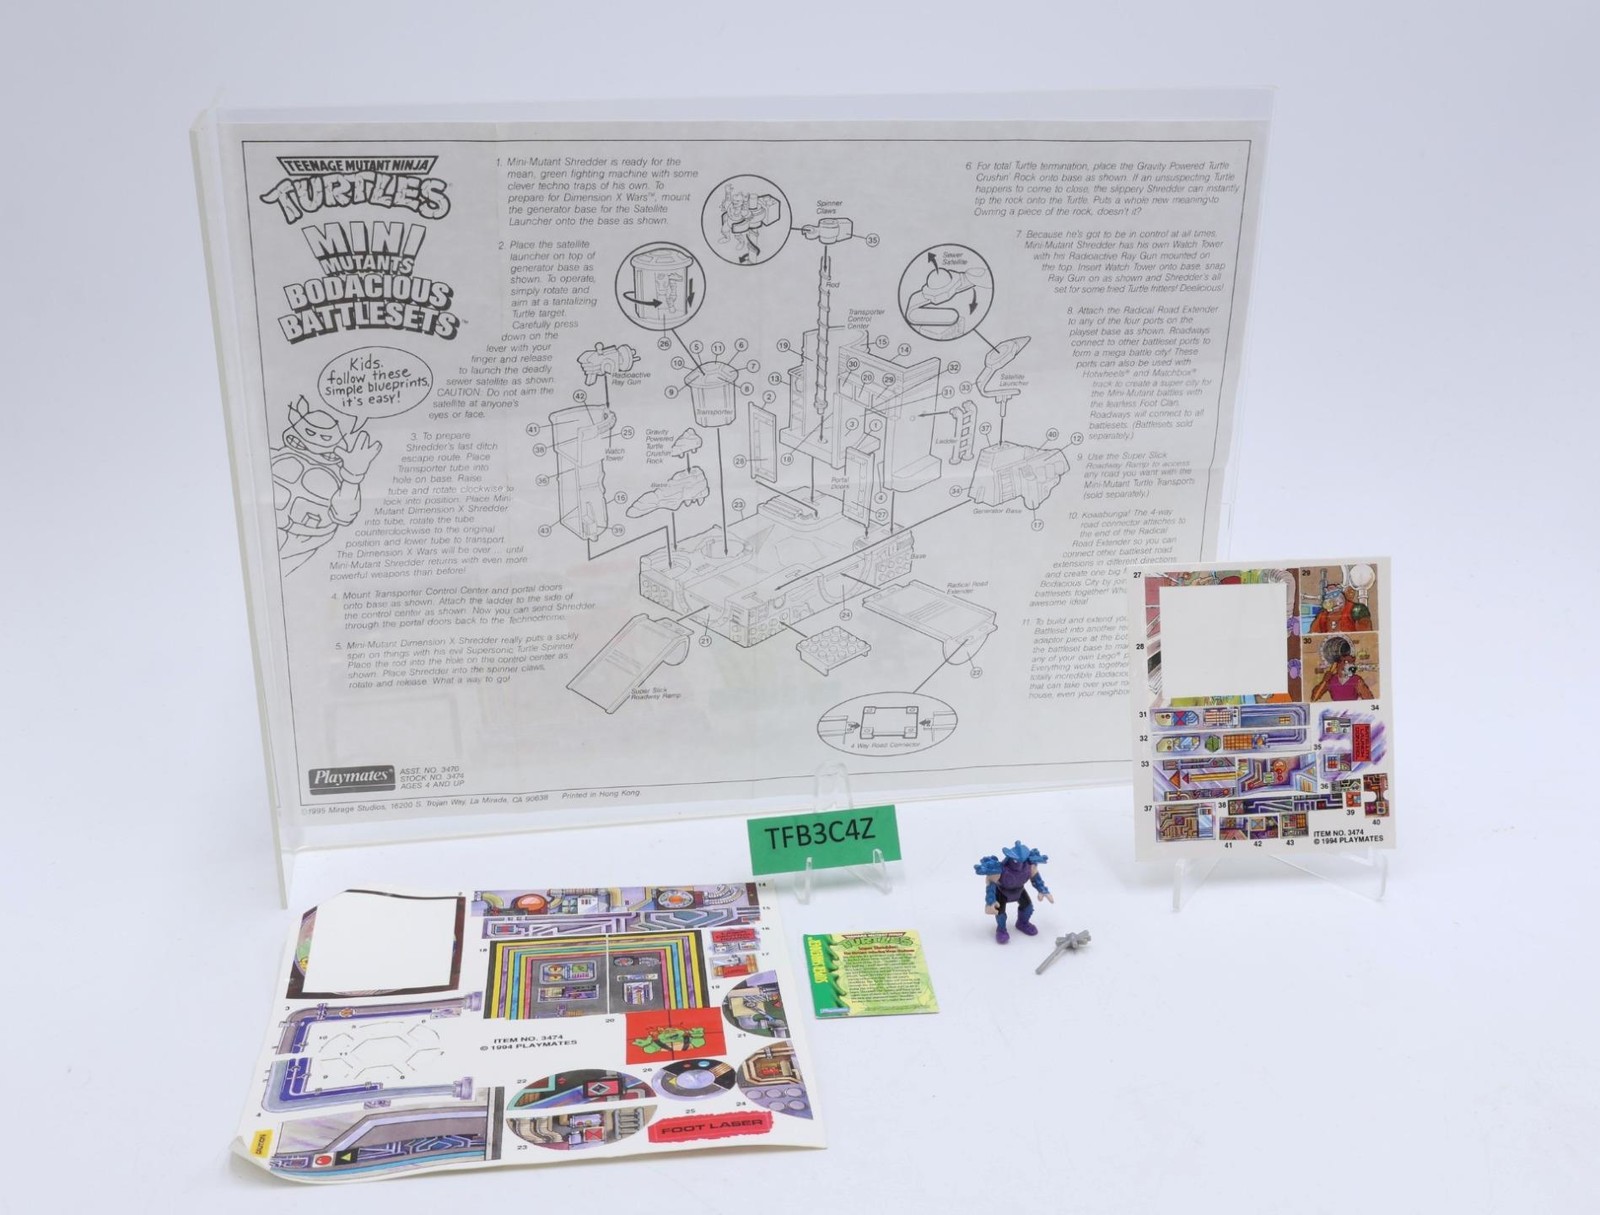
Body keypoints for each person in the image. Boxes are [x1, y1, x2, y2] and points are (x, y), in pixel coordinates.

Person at [975, 841, 1053, 944]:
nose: (1019, 864)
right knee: (1000, 913)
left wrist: (1042, 889)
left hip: (1019, 890)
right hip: (1002, 892)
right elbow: (991, 884)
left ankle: (1022, 923)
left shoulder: (1030, 866)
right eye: (1016, 860)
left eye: (1022, 860)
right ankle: (1001, 930)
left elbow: (1035, 877)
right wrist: (991, 901)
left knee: (1028, 907)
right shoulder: (999, 869)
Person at [1310, 637, 1374, 701]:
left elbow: (1370, 699)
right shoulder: (1331, 680)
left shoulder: (1356, 680)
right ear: (1336, 664)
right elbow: (1314, 698)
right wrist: (1324, 681)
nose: (1350, 665)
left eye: (1352, 662)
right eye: (1346, 662)